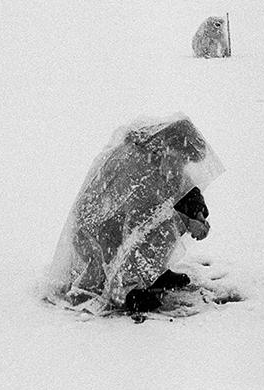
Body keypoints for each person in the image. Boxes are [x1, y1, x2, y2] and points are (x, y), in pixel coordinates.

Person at [45, 115, 224, 315]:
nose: (183, 164)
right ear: (168, 146)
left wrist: (197, 211)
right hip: (99, 236)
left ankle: (153, 275)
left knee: (170, 222)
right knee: (161, 229)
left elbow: (182, 187)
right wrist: (187, 222)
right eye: (183, 158)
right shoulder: (137, 164)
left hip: (117, 227)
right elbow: (145, 217)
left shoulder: (157, 155)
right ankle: (129, 288)